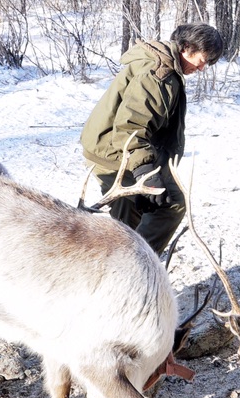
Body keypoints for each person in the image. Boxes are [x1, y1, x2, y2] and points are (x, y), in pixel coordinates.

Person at [79, 21, 226, 255]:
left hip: (123, 150)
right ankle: (132, 265)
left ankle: (130, 260)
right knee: (159, 208)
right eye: (203, 59)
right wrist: (145, 174)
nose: (202, 68)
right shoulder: (158, 75)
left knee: (136, 214)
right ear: (186, 47)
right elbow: (131, 126)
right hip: (112, 154)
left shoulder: (168, 68)